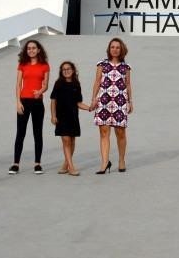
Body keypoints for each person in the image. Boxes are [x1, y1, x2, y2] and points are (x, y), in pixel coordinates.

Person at [89, 37, 134, 174]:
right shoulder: (101, 64)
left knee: (120, 132)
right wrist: (93, 99)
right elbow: (97, 82)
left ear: (121, 50)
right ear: (109, 49)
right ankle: (104, 163)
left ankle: (121, 160)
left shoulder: (125, 67)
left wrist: (130, 101)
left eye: (117, 47)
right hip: (104, 101)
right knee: (104, 132)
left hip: (120, 102)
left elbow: (128, 84)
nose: (115, 49)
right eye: (112, 47)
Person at [11, 39, 50, 174]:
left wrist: (40, 91)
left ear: (38, 50)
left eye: (34, 48)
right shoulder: (22, 65)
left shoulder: (44, 66)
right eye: (28, 48)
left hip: (37, 103)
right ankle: (16, 164)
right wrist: (18, 102)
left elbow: (46, 85)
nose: (31, 50)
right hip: (24, 102)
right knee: (20, 133)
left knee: (37, 133)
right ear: (26, 51)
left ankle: (37, 164)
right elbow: (18, 85)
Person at [50, 61, 90, 176]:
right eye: (64, 69)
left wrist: (89, 108)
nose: (66, 71)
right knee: (66, 141)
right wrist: (53, 115)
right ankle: (71, 168)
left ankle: (65, 165)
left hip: (73, 117)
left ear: (73, 70)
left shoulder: (76, 84)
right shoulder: (58, 84)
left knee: (72, 141)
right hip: (61, 117)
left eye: (68, 69)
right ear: (61, 72)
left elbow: (78, 103)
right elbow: (53, 100)